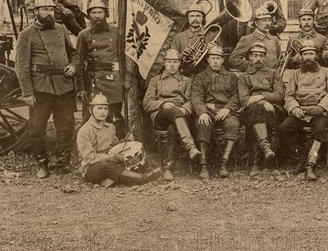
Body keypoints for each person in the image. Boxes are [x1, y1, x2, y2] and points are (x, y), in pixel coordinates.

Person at [15, 0, 80, 178]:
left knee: (66, 125)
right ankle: (42, 164)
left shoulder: (61, 29)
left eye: (51, 9)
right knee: (37, 128)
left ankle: (62, 164)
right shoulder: (27, 34)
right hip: (40, 88)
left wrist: (73, 66)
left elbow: (74, 53)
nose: (49, 13)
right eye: (45, 9)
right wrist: (27, 92)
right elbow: (21, 66)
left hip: (64, 85)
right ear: (36, 12)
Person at [281, 40, 328, 181]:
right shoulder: (295, 74)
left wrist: (321, 106)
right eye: (305, 54)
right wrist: (294, 107)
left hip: (320, 111)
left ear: (316, 55)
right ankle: (302, 157)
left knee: (320, 128)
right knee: (284, 128)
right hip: (301, 111)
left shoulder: (327, 72)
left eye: (311, 54)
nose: (308, 57)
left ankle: (310, 164)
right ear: (301, 57)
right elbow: (289, 95)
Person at [76, 93, 161, 186]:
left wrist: (125, 140)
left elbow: (114, 146)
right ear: (90, 110)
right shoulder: (84, 131)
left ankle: (112, 179)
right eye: (99, 108)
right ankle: (141, 179)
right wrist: (112, 158)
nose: (103, 112)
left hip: (111, 160)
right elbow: (90, 158)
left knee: (135, 159)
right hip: (92, 167)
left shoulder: (110, 126)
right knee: (104, 165)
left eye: (105, 109)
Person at [143, 49, 201, 178]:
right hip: (160, 115)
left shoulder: (186, 81)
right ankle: (191, 147)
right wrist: (162, 104)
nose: (172, 65)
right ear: (164, 63)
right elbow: (147, 103)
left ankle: (168, 167)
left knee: (173, 126)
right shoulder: (155, 80)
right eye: (169, 61)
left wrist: (185, 109)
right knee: (174, 114)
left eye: (175, 61)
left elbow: (192, 100)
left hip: (179, 114)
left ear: (180, 63)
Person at [76, 0, 127, 138]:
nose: (97, 15)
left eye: (100, 12)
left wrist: (125, 80)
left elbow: (124, 58)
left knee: (115, 115)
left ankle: (120, 146)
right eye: (93, 12)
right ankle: (87, 146)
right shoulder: (84, 35)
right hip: (94, 81)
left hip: (113, 80)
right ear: (89, 15)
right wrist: (80, 87)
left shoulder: (117, 32)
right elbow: (79, 63)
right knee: (90, 116)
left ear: (106, 14)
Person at [191, 44, 241, 179]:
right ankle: (204, 166)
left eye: (218, 58)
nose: (215, 61)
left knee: (234, 124)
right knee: (203, 124)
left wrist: (227, 108)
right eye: (212, 58)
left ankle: (224, 164)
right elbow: (196, 97)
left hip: (225, 111)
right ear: (207, 60)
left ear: (223, 60)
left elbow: (237, 96)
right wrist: (202, 112)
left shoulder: (231, 77)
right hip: (207, 110)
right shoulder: (200, 77)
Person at [237, 42, 284, 176]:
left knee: (258, 113)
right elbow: (244, 100)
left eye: (261, 56)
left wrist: (260, 97)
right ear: (250, 57)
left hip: (273, 109)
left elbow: (279, 95)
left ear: (265, 58)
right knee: (255, 111)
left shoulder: (274, 73)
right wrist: (263, 102)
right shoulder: (244, 77)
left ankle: (256, 163)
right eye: (255, 55)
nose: (258, 59)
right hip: (253, 110)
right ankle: (265, 149)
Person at [228, 6, 281, 71]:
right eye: (264, 20)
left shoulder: (274, 39)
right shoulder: (247, 39)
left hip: (272, 77)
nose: (268, 23)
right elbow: (233, 60)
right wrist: (254, 66)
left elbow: (279, 60)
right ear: (256, 23)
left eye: (269, 20)